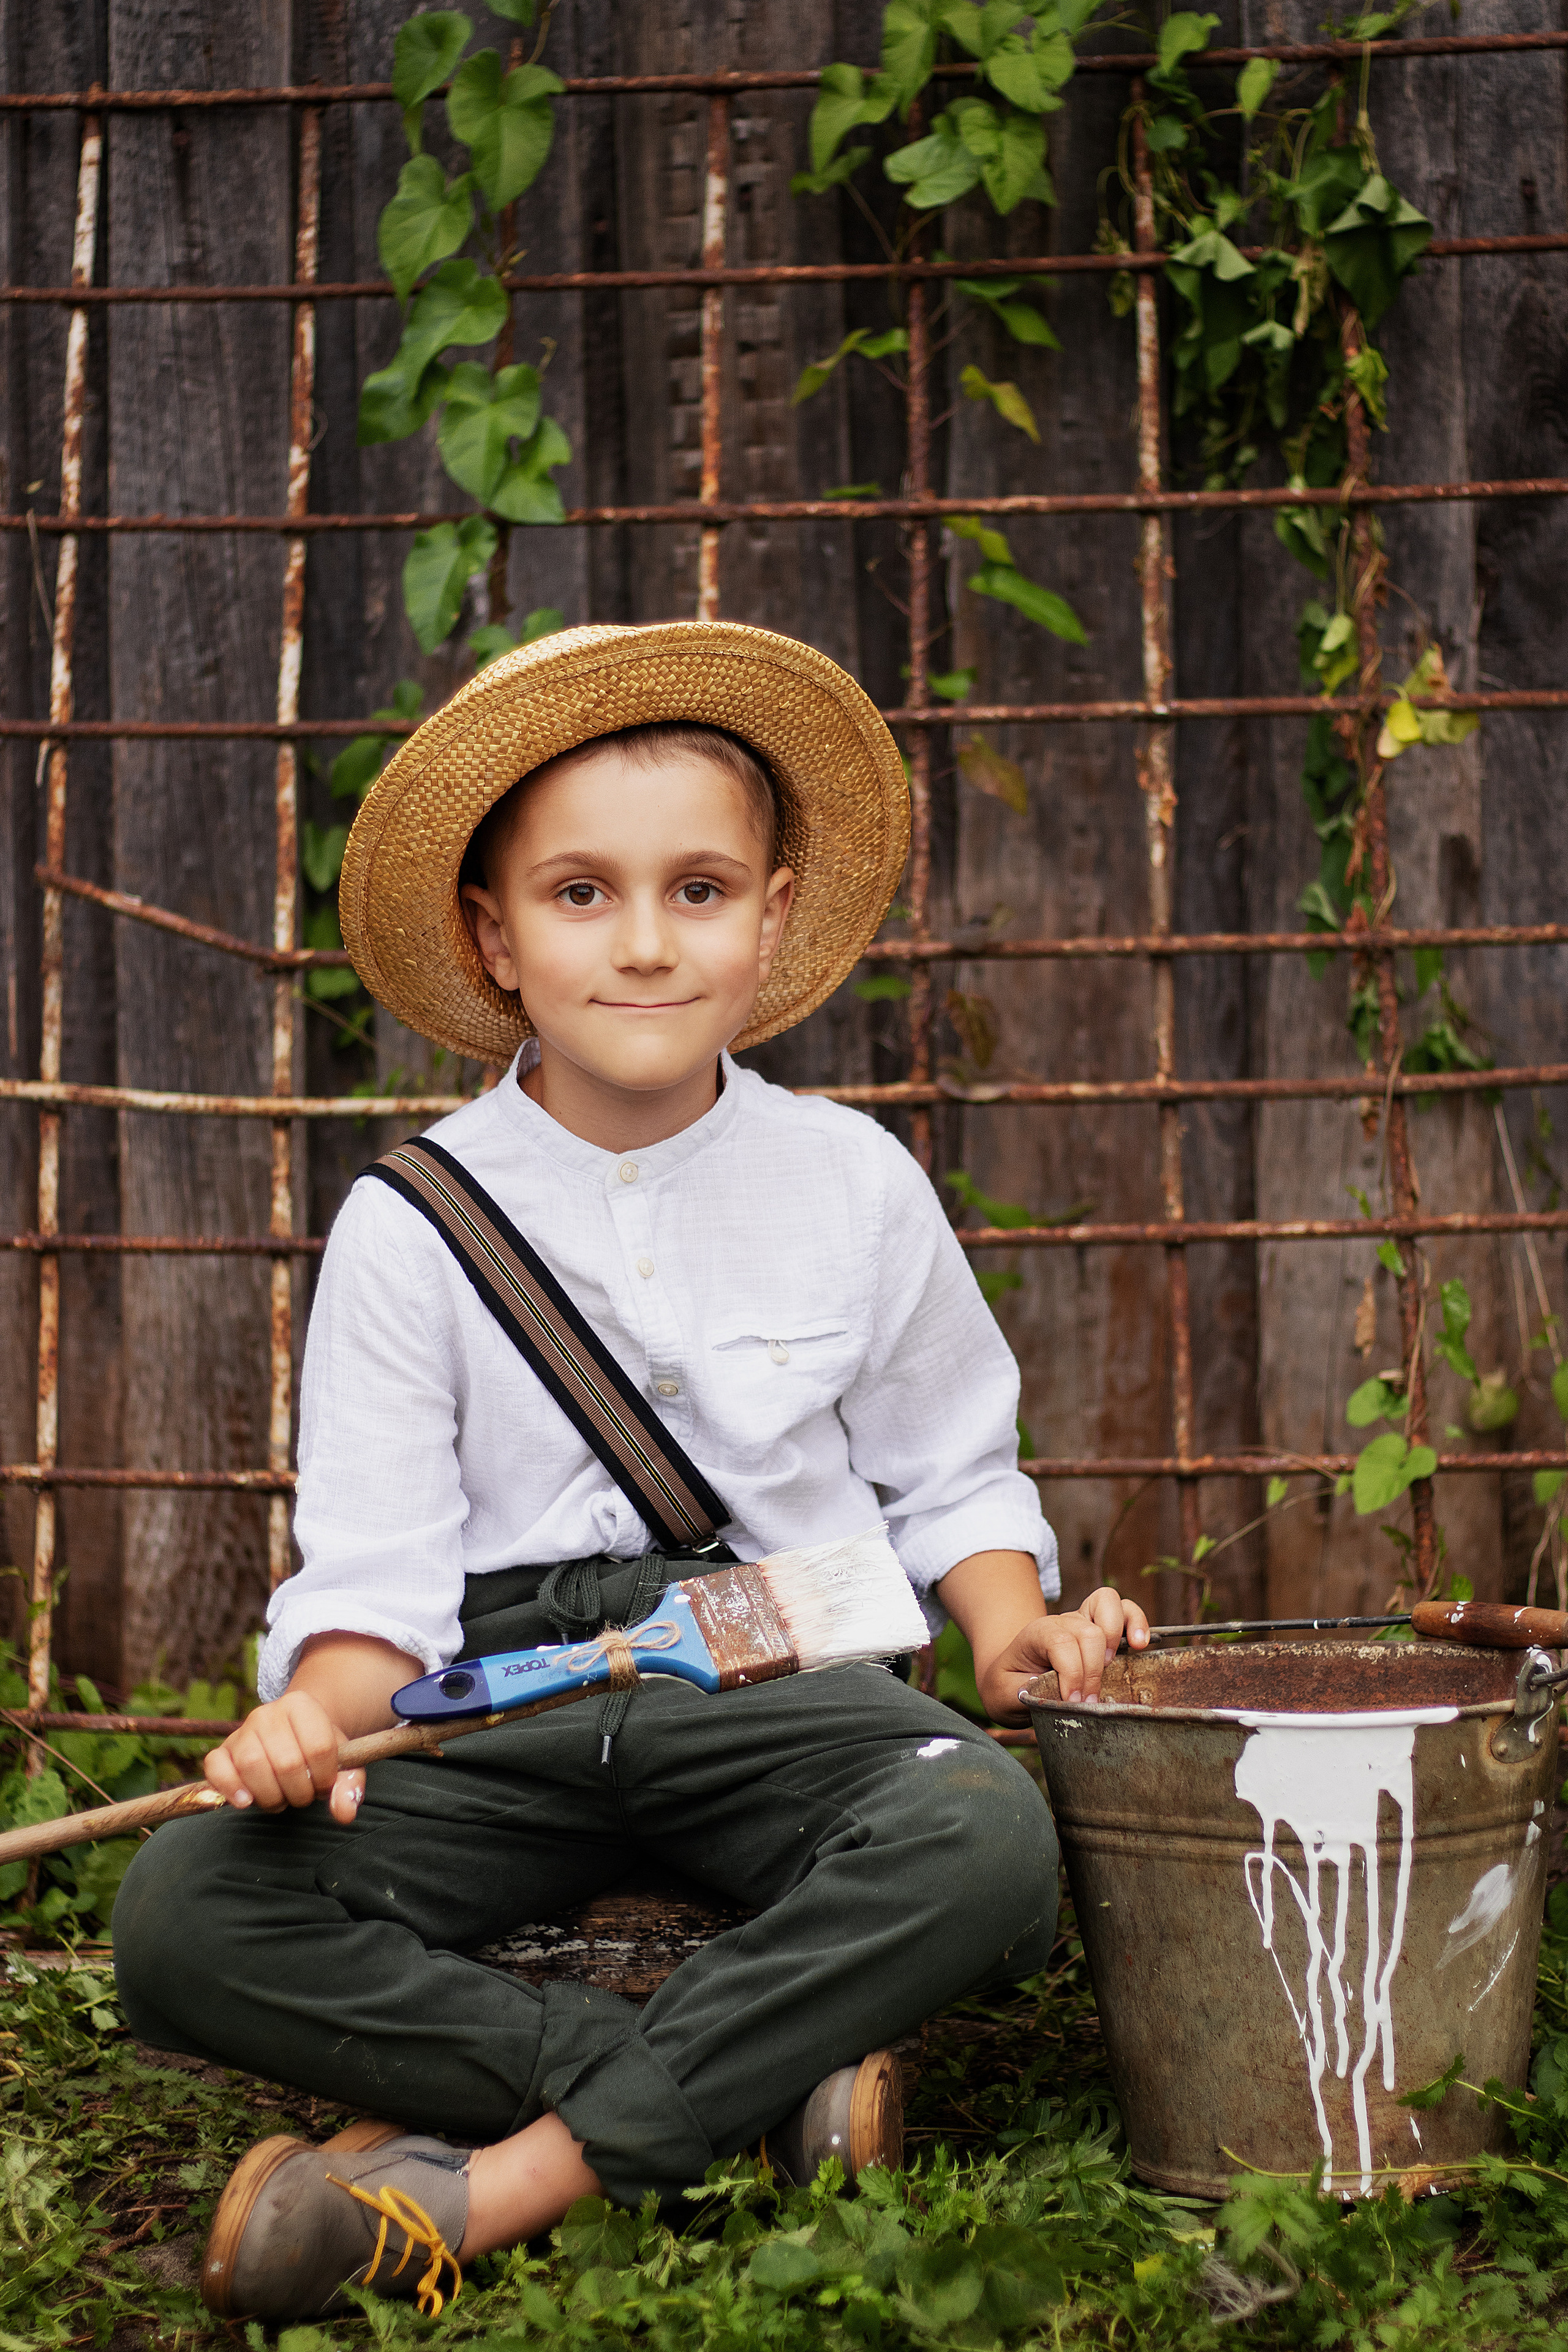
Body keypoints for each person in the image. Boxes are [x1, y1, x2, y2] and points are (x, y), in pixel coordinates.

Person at [113, 619, 1148, 2324]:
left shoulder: (852, 1184)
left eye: (701, 890)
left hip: (777, 1667)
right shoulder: (411, 1225)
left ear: (775, 915)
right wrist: (322, 1713)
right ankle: (727, 2091)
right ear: (493, 935)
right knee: (179, 1919)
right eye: (581, 894)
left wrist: (1008, 1621)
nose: (647, 943)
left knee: (985, 1844)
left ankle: (508, 2182)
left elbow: (949, 1464)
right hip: (493, 1701)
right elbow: (374, 1569)